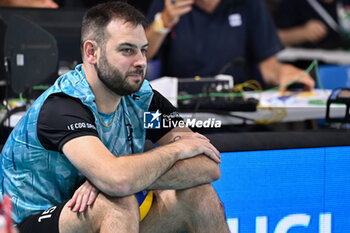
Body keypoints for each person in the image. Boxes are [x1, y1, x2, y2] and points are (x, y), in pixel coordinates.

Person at [0, 2, 229, 233]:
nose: (140, 61)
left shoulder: (142, 98)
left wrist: (122, 180)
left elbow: (208, 166)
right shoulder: (63, 106)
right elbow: (118, 180)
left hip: (90, 212)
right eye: (127, 50)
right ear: (91, 52)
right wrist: (175, 151)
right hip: (26, 223)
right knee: (118, 203)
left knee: (199, 193)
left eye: (143, 50)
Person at [146, 0, 315, 90]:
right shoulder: (169, 3)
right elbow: (144, 54)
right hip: (182, 112)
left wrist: (282, 73)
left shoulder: (249, 4)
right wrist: (164, 22)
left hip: (238, 109)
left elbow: (269, 68)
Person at [274, 0, 350, 48]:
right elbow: (272, 38)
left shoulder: (345, 2)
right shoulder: (293, 3)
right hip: (307, 67)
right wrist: (301, 33)